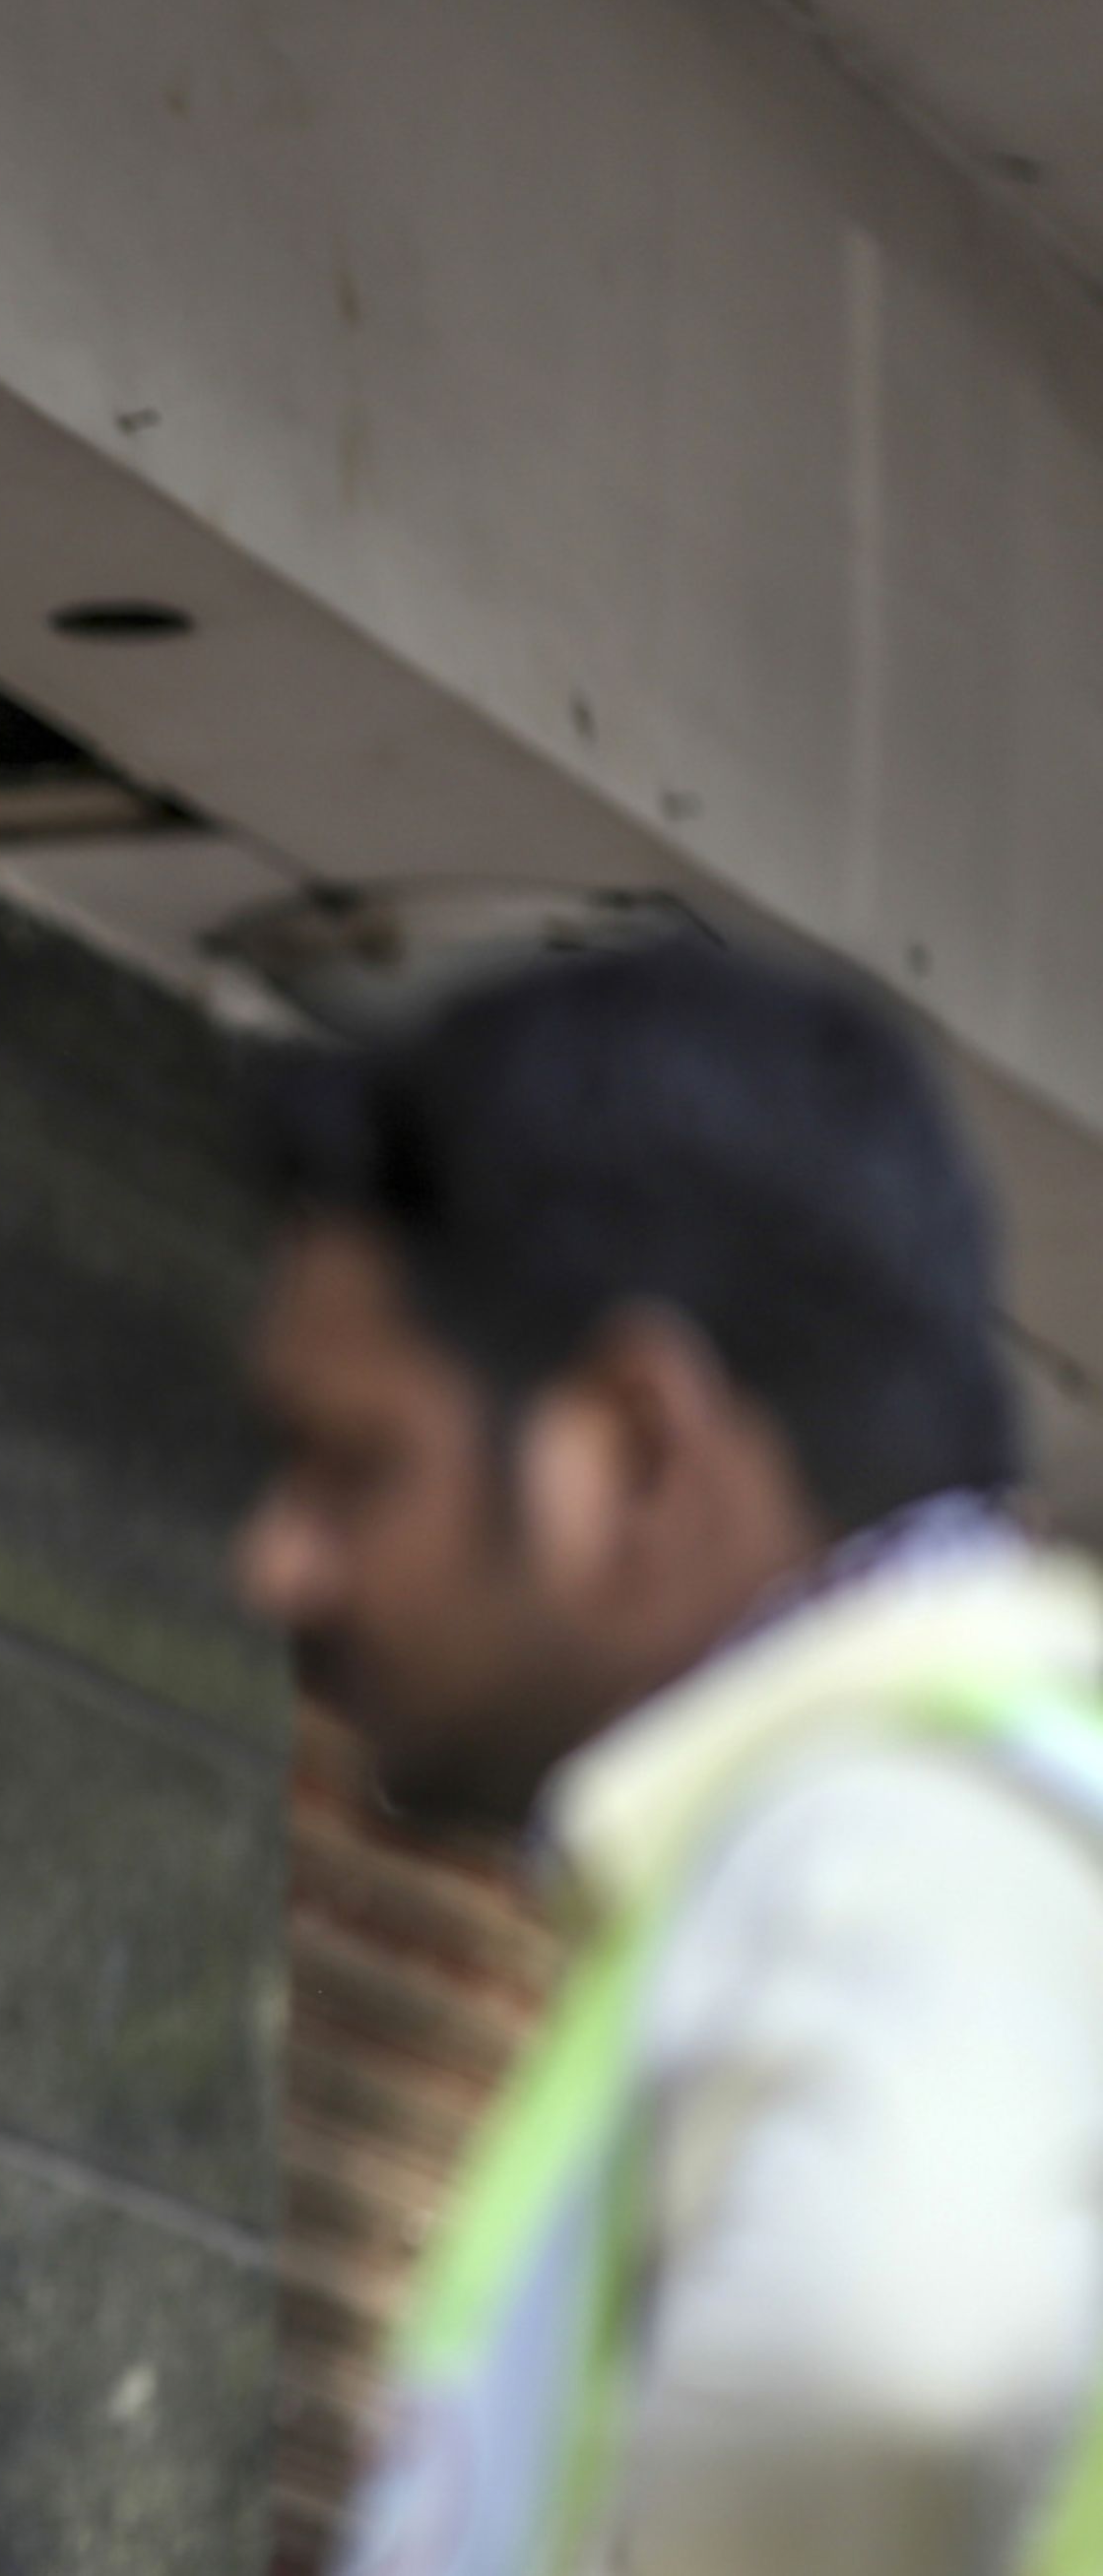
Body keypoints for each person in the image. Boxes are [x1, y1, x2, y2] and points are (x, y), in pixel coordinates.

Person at [239, 937, 1103, 2576]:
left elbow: (898, 2359)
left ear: (635, 1450)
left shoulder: (896, 1823)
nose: (279, 1565)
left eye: (353, 1466)